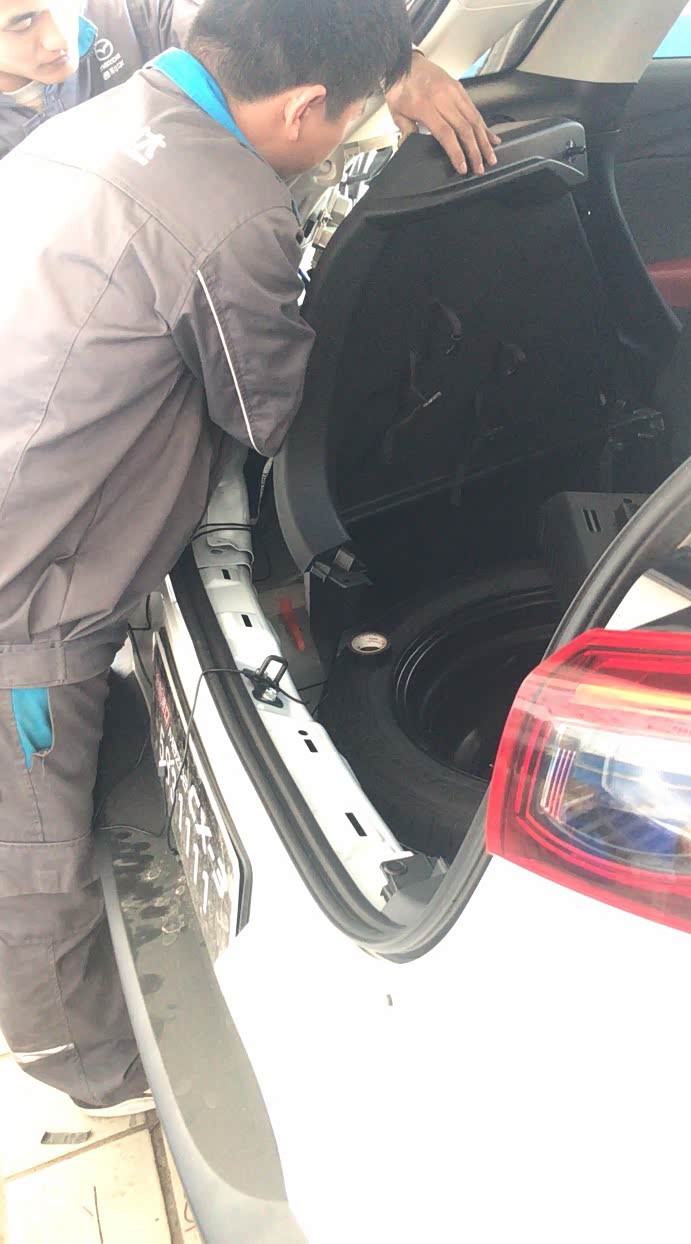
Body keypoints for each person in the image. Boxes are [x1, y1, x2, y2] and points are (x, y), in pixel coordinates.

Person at [0, 0, 414, 1116]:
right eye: (351, 122)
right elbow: (265, 410)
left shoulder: (92, 121)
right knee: (28, 856)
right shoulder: (230, 210)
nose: (341, 143)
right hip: (21, 593)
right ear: (305, 106)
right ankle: (94, 1075)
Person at [0, 0, 500, 172]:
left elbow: (259, 30)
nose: (58, 37)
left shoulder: (128, 12)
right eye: (21, 24)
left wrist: (397, 63)